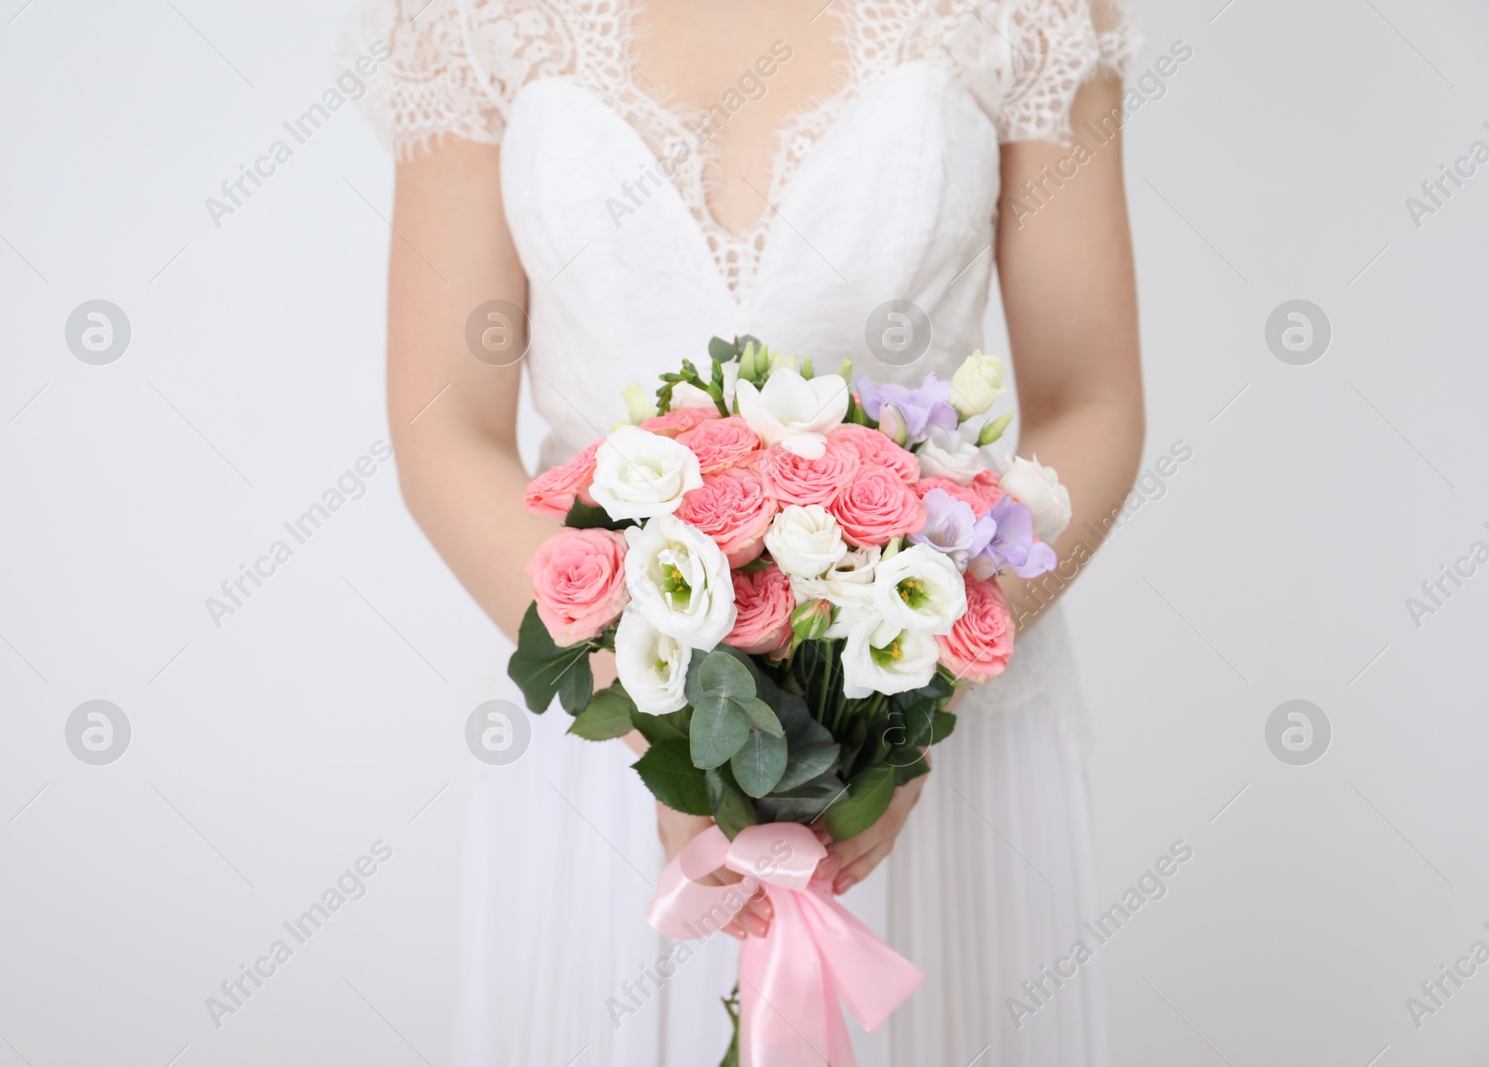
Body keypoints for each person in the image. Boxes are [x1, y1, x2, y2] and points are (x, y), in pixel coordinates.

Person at [355, 0, 1145, 1061]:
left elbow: (1087, 398)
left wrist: (899, 725)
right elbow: (443, 429)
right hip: (609, 740)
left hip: (936, 745)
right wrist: (673, 736)